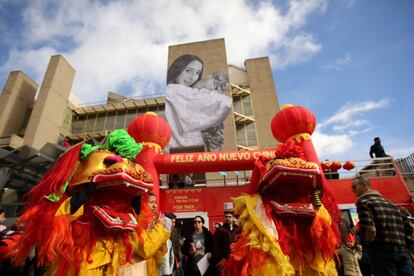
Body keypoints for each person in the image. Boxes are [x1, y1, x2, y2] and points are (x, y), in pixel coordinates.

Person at [165, 54, 232, 152]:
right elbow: (224, 102)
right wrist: (202, 84)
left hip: (185, 152)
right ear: (177, 68)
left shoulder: (177, 92)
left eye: (197, 73)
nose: (192, 77)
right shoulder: (174, 90)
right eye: (188, 70)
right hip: (184, 154)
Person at [351, 176, 414, 275]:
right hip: (401, 250)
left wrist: (366, 246)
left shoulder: (364, 203)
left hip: (380, 251)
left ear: (363, 186)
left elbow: (369, 229)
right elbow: (409, 227)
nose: (352, 190)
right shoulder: (392, 204)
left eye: (354, 187)